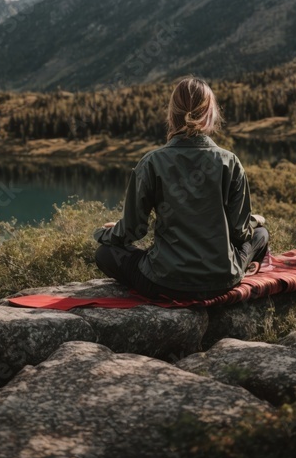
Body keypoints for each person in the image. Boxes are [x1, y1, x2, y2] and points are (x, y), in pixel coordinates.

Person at [93, 76, 269, 300]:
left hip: (164, 282)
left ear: (172, 115)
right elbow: (240, 233)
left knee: (105, 253)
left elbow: (132, 232)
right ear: (210, 114)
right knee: (261, 234)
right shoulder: (230, 162)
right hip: (222, 281)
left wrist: (105, 232)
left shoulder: (151, 163)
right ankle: (245, 267)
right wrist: (255, 220)